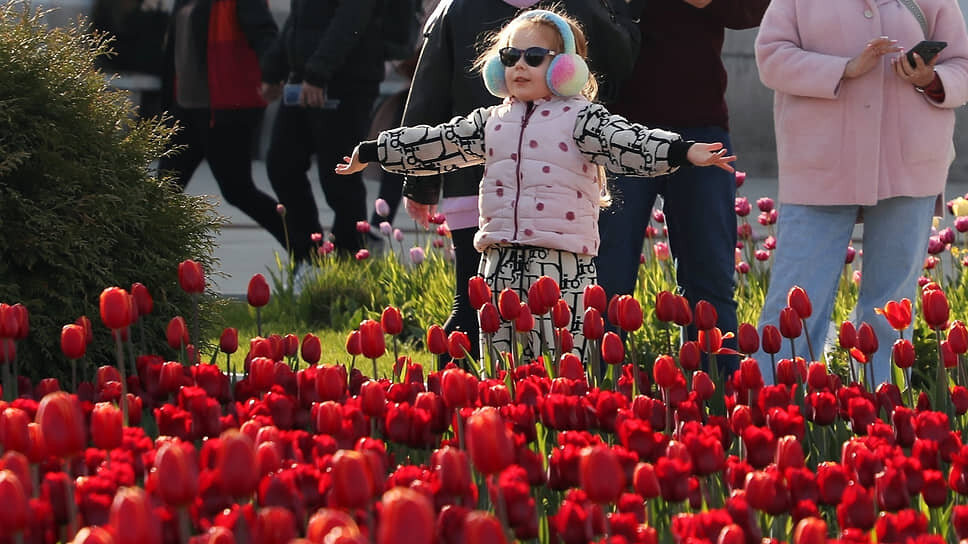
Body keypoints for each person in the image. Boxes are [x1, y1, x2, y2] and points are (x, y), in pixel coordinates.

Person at [336, 8, 736, 362]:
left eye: (534, 57)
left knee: (563, 360)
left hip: (562, 266)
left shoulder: (583, 120)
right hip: (498, 263)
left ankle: (562, 437)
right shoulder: (491, 121)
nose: (519, 67)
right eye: (510, 57)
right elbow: (438, 142)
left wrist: (682, 152)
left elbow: (629, 142)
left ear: (566, 68)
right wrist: (374, 151)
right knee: (502, 361)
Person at [396, 0, 641, 365]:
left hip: (535, 195)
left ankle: (508, 401)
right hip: (496, 192)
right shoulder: (463, 9)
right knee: (486, 310)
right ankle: (461, 399)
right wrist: (419, 180)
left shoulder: (576, 9)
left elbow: (623, 60)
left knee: (520, 316)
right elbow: (429, 90)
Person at [752, 0, 968, 383]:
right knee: (795, 302)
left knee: (890, 307)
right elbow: (771, 57)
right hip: (820, 162)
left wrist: (929, 80)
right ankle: (775, 409)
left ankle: (878, 411)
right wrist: (844, 69)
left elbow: (963, 66)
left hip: (910, 162)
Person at [596, 0, 769, 378]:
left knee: (710, 279)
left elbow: (753, 11)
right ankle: (595, 404)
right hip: (618, 128)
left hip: (700, 123)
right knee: (606, 276)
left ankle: (720, 406)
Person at [158, 0, 289, 252]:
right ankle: (149, 269)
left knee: (238, 191)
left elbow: (265, 36)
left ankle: (306, 248)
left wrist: (272, 74)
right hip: (185, 111)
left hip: (224, 112)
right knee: (164, 191)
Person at [259, 0, 385, 260]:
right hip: (304, 80)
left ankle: (349, 258)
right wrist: (273, 71)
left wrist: (318, 73)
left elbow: (352, 17)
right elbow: (298, 21)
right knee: (282, 164)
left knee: (339, 177)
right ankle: (309, 255)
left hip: (346, 80)